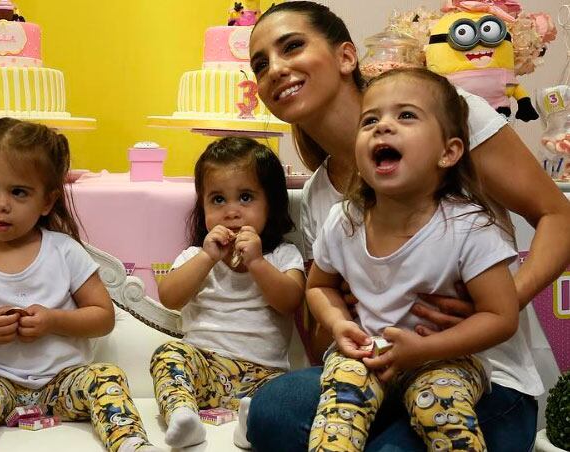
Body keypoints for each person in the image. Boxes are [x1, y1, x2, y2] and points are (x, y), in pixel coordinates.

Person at [246, 2, 570, 451]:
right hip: (379, 368)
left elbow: (559, 218)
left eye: (293, 47)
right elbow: (325, 314)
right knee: (273, 411)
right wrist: (341, 321)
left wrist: (494, 307)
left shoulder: (451, 115)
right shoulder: (323, 199)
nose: (276, 70)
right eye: (260, 65)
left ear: (345, 57)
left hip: (480, 374)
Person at [307, 67, 519, 451]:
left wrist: (424, 351)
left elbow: (501, 317)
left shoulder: (468, 225)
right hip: (369, 354)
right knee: (338, 408)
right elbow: (319, 286)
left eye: (406, 115)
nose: (382, 127)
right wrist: (338, 323)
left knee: (439, 404)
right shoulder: (345, 219)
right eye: (369, 120)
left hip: (445, 358)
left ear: (448, 152)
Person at [0, 118, 163, 452]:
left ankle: (132, 445)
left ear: (46, 202)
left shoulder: (64, 251)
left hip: (63, 382)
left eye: (18, 192)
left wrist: (54, 320)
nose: (0, 203)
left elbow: (103, 317)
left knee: (106, 377)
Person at [149, 137, 305, 448]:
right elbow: (169, 297)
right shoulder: (196, 256)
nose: (231, 212)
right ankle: (182, 414)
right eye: (217, 200)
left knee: (288, 394)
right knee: (167, 354)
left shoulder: (282, 255)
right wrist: (207, 258)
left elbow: (290, 301)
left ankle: (253, 422)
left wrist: (258, 263)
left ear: (270, 203)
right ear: (202, 205)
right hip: (205, 367)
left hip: (265, 375)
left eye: (245, 197)